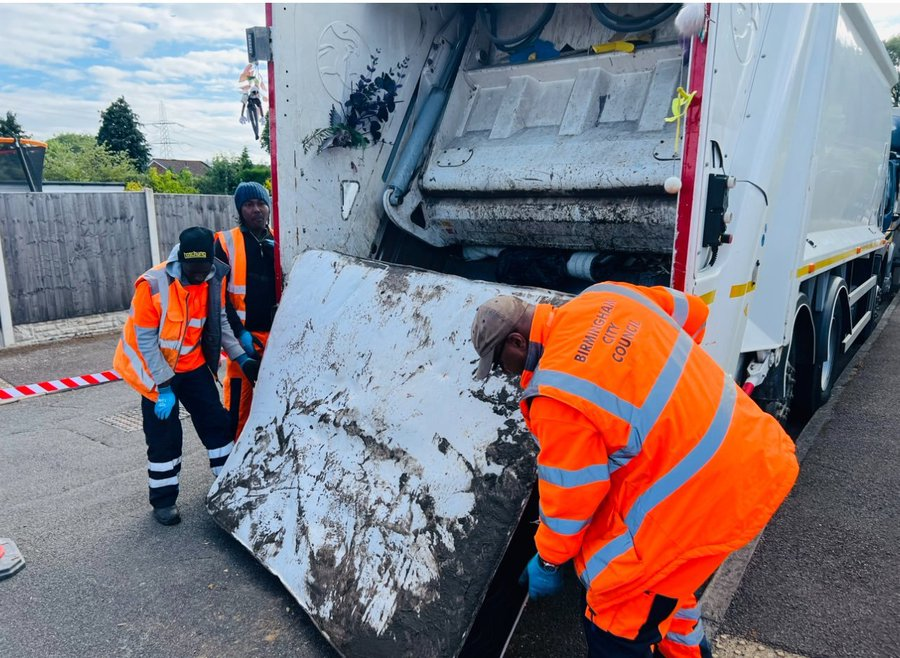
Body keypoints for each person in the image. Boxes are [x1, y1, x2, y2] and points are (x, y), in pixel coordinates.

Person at [470, 283, 799, 658]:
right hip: (755, 454)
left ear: (516, 342)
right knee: (667, 588)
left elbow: (571, 497)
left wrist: (547, 560)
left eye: (499, 363)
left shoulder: (556, 395)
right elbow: (693, 313)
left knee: (613, 615)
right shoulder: (607, 296)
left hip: (700, 505)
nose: (503, 373)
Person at [113, 227, 259, 526]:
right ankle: (163, 502)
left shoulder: (213, 278)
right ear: (181, 260)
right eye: (192, 268)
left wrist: (241, 358)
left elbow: (219, 324)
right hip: (156, 373)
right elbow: (145, 341)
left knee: (216, 423)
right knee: (164, 437)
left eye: (203, 268)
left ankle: (229, 484)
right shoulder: (152, 285)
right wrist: (164, 387)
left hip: (193, 367)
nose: (198, 275)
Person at [215, 182, 277, 442]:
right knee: (239, 411)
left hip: (277, 338)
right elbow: (218, 300)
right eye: (249, 205)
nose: (256, 210)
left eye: (261, 203)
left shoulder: (280, 240)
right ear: (240, 210)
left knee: (274, 405)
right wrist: (240, 334)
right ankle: (234, 463)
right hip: (244, 340)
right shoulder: (224, 242)